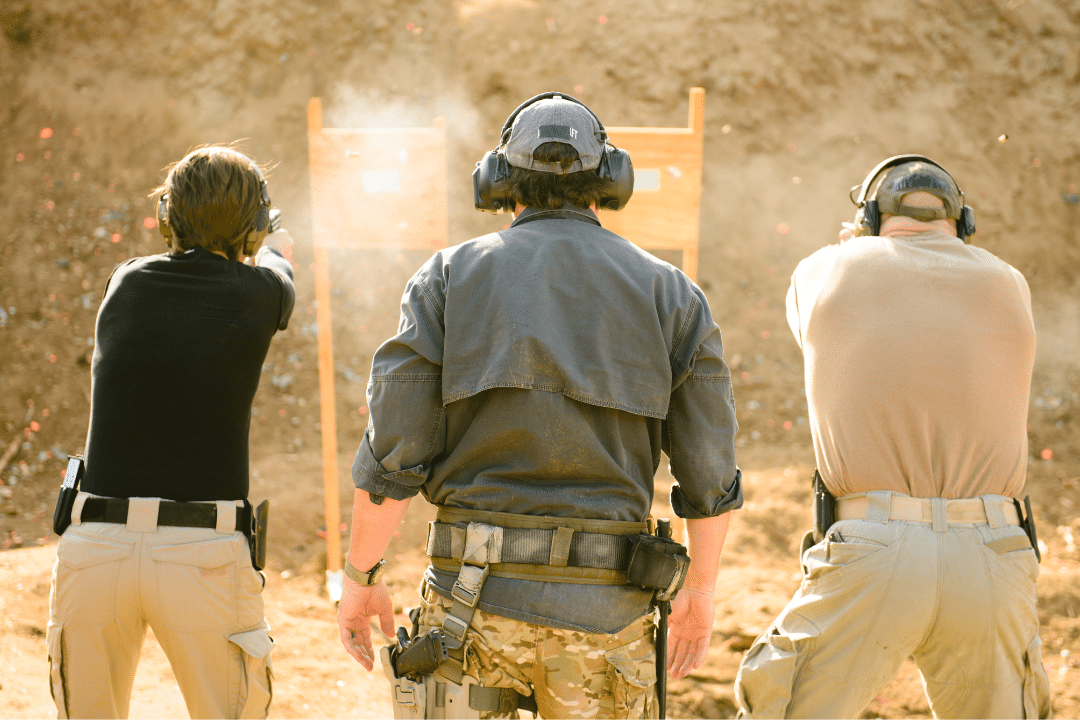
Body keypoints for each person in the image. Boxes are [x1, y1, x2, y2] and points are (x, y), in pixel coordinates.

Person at [336, 93, 741, 718]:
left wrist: (360, 579)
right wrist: (702, 591)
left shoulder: (445, 277)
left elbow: (395, 452)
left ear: (498, 180)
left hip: (469, 613)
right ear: (610, 181)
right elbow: (709, 469)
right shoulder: (672, 294)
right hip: (606, 622)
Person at [734, 155, 1052, 719]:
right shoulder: (1010, 282)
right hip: (992, 549)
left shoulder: (826, 269)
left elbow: (810, 325)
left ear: (869, 218)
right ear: (961, 220)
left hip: (871, 545)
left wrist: (848, 247)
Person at [46, 146, 296, 719]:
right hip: (202, 552)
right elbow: (279, 272)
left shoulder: (125, 281)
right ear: (254, 228)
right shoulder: (261, 295)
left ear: (167, 216)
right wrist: (275, 246)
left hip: (95, 547)